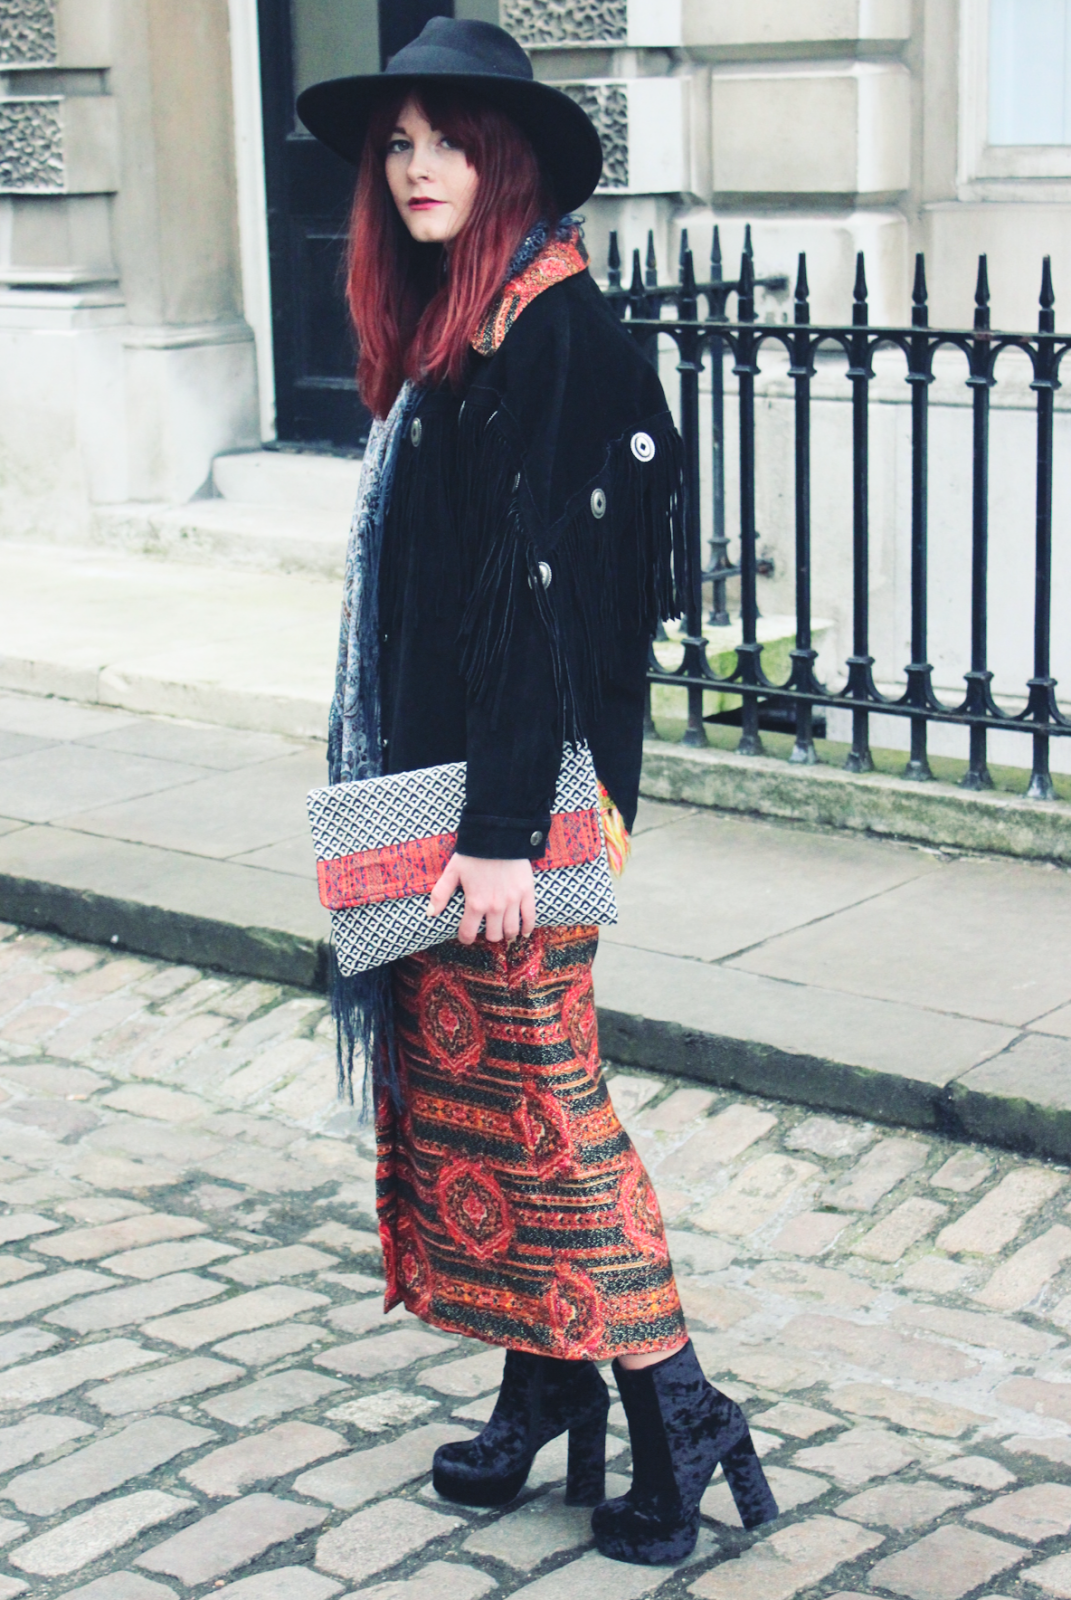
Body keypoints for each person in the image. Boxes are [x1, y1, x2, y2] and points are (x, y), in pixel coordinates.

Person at [298, 17, 778, 1567]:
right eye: (398, 142)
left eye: (446, 138)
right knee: (479, 1112)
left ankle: (678, 1407)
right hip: (443, 799)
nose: (415, 164)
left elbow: (550, 613)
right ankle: (545, 1381)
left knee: (550, 1116)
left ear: (505, 158)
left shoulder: (559, 341)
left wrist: (501, 833)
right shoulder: (466, 332)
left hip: (514, 815)